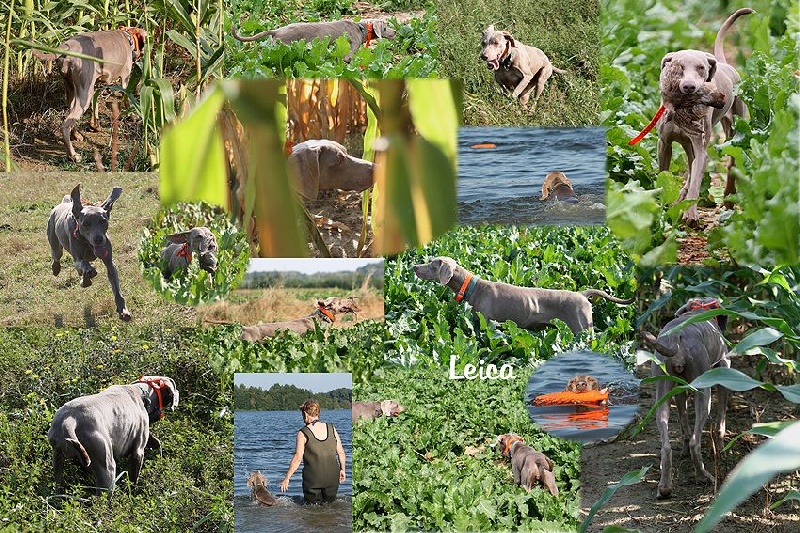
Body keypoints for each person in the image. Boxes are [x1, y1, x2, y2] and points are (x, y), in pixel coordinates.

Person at [280, 399, 346, 503]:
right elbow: (341, 452)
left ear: (306, 414)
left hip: (313, 479)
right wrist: (343, 469)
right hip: (333, 476)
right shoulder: (331, 428)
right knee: (330, 507)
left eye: (302, 415)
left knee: (312, 509)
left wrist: (287, 478)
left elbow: (297, 458)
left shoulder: (303, 433)